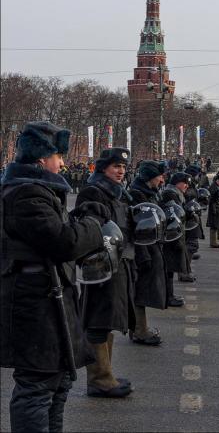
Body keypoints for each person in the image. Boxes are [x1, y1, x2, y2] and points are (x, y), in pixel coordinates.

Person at [1, 121, 110, 433]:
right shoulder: (26, 194)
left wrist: (79, 218)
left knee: (59, 382)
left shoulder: (36, 190)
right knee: (36, 387)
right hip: (34, 303)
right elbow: (64, 242)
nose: (63, 162)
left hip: (49, 299)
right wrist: (91, 223)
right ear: (41, 159)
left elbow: (55, 235)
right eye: (58, 156)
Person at [75, 148, 136, 398]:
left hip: (117, 263)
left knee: (109, 318)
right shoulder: (94, 191)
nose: (121, 171)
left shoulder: (116, 192)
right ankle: (99, 379)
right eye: (115, 167)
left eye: (123, 167)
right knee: (100, 319)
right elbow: (89, 230)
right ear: (103, 168)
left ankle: (106, 372)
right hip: (101, 266)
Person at [129, 160, 168, 344]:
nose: (162, 179)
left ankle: (139, 328)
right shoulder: (137, 194)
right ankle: (140, 330)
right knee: (141, 291)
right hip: (143, 248)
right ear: (150, 177)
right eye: (159, 176)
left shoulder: (147, 192)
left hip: (150, 246)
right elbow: (138, 227)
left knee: (143, 290)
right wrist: (143, 254)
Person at [160, 172, 191, 307]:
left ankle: (169, 295)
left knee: (170, 269)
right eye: (185, 182)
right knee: (168, 269)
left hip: (174, 236)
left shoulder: (175, 194)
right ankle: (168, 297)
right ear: (177, 182)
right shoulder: (170, 195)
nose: (187, 185)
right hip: (171, 237)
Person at [207, 174, 219, 247]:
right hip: (214, 208)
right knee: (214, 225)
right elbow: (212, 199)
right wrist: (214, 209)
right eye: (218, 180)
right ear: (216, 180)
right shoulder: (214, 187)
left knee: (216, 225)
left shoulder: (217, 187)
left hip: (218, 207)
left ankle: (215, 241)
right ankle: (213, 242)